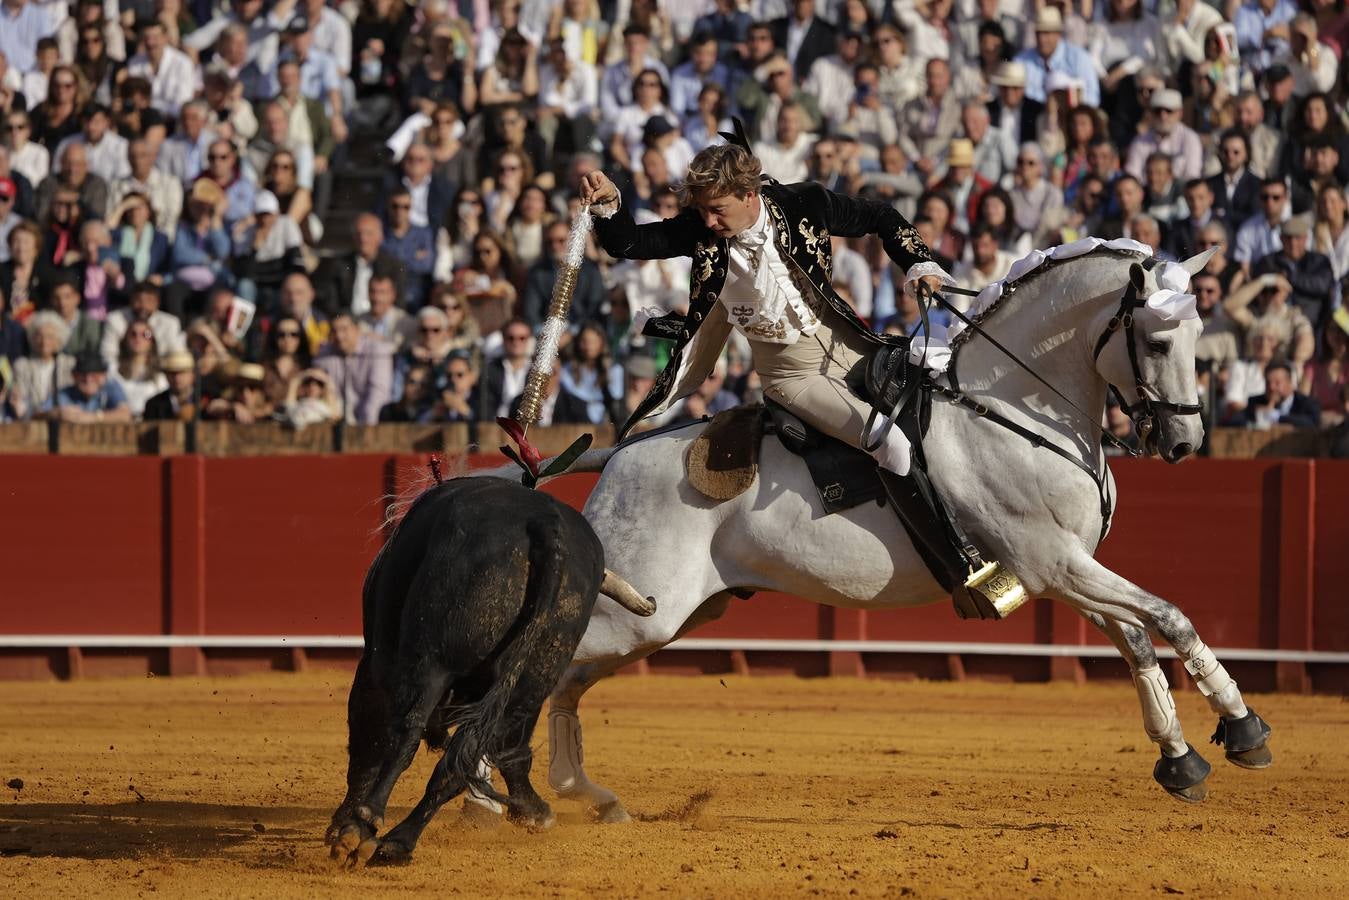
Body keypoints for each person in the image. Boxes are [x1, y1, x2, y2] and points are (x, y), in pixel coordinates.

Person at [580, 136, 1007, 615]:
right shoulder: (701, 231)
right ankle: (964, 573)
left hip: (853, 345)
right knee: (893, 444)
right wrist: (611, 204)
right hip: (794, 376)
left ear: (749, 195)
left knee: (937, 410)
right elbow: (630, 242)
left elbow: (881, 216)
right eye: (702, 211)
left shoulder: (805, 203)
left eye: (718, 209)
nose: (709, 222)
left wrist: (920, 263)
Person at [315, 312, 393, 425]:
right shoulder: (325, 354)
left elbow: (378, 394)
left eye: (344, 329)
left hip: (371, 422)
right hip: (336, 420)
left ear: (357, 329)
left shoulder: (377, 351)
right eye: (334, 331)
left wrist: (365, 430)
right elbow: (320, 389)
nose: (339, 336)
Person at [8, 310, 73, 420]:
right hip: (31, 420)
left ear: (59, 340)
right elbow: (20, 399)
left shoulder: (69, 364)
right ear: (32, 338)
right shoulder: (22, 365)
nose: (44, 342)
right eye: (39, 336)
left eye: (50, 337)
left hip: (63, 420)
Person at [108, 320, 167, 419]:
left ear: (152, 341)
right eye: (133, 334)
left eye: (146, 334)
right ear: (125, 339)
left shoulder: (160, 375)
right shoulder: (113, 369)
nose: (138, 338)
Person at [56, 351, 131, 422]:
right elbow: (45, 411)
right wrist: (58, 414)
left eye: (94, 375)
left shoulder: (111, 388)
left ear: (103, 375)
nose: (88, 379)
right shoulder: (66, 393)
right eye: (82, 374)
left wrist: (94, 417)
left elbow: (125, 414)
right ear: (74, 375)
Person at [1243, 360, 1321, 428]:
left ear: (1290, 383)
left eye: (1277, 383)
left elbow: (1313, 422)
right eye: (1268, 383)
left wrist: (1277, 416)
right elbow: (1236, 421)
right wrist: (1258, 416)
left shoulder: (1307, 403)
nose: (1271, 387)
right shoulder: (1255, 402)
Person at [143, 350, 199, 422]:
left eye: (182, 372)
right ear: (166, 375)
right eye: (172, 373)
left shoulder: (206, 401)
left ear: (193, 374)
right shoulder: (153, 405)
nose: (177, 378)